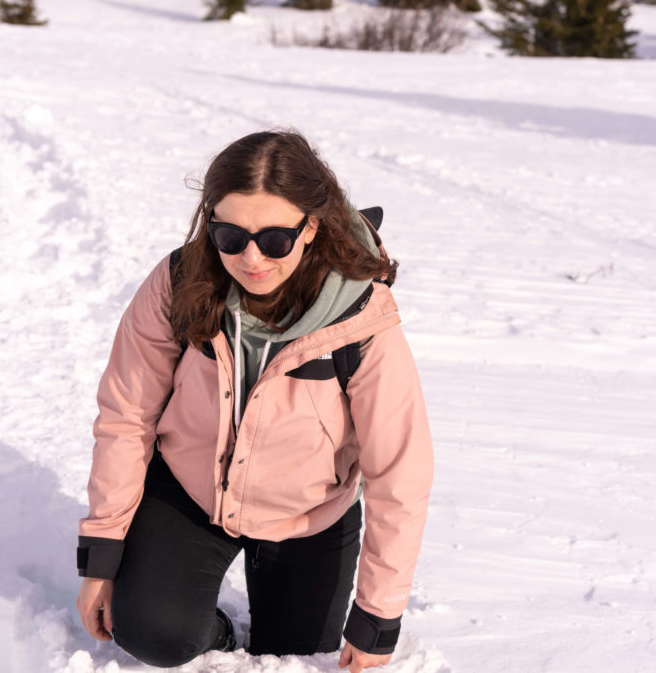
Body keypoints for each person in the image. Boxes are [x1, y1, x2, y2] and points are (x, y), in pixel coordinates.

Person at [75, 130, 433, 673]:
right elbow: (127, 416)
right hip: (190, 492)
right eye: (229, 235)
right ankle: (209, 627)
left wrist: (378, 616)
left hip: (310, 513)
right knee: (154, 635)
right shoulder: (180, 280)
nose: (250, 258)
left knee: (291, 655)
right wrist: (102, 558)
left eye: (274, 240)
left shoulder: (360, 317)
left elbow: (400, 473)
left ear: (310, 226)